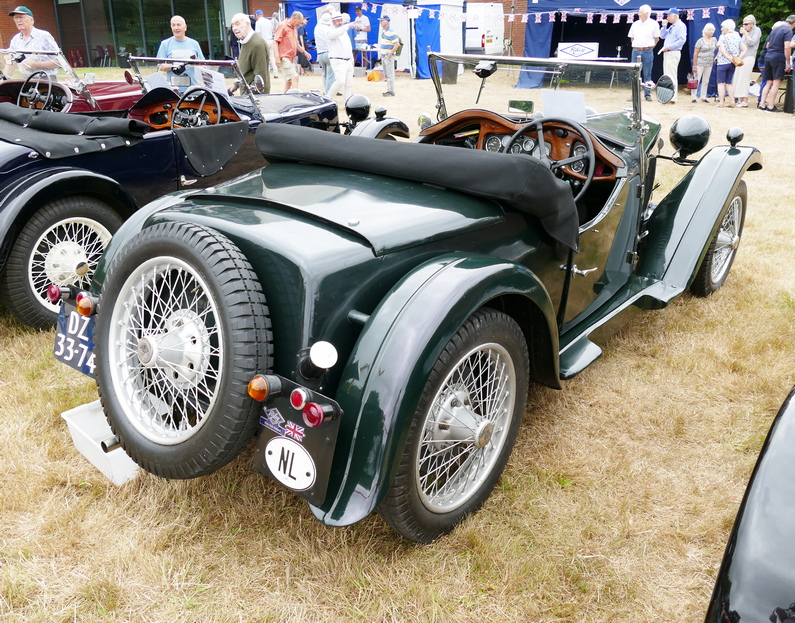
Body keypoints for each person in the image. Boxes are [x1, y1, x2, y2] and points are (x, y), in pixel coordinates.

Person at [6, 6, 59, 78]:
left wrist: (36, 64)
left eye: (21, 17)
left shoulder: (44, 36)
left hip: (46, 81)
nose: (18, 20)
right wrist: (4, 79)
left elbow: (59, 62)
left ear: (32, 20)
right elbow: (11, 62)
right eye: (16, 18)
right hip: (26, 81)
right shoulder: (15, 40)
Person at [156, 15, 204, 89]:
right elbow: (160, 66)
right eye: (173, 25)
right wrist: (174, 66)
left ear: (185, 27)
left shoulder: (194, 44)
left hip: (192, 89)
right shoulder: (165, 44)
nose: (176, 28)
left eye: (178, 25)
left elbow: (203, 66)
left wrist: (196, 63)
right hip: (173, 89)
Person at [758, 16, 795, 112]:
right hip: (778, 57)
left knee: (768, 82)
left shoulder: (776, 29)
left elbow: (767, 45)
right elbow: (787, 47)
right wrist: (788, 62)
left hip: (768, 56)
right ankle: (770, 107)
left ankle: (762, 105)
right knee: (776, 82)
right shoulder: (788, 31)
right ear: (793, 23)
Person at [230, 12, 270, 93]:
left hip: (255, 98)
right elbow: (245, 72)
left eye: (237, 24)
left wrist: (247, 96)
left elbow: (260, 78)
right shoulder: (245, 41)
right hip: (247, 96)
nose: (234, 28)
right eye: (233, 25)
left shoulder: (257, 44)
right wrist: (236, 84)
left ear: (247, 24)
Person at [628, 5, 660, 101]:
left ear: (646, 13)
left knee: (647, 73)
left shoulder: (654, 24)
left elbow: (656, 39)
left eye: (640, 12)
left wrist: (648, 47)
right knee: (634, 73)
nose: (638, 14)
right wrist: (638, 46)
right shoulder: (635, 24)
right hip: (636, 50)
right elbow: (631, 37)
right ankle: (634, 94)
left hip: (648, 51)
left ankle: (647, 94)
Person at [274, 11, 311, 91]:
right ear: (294, 18)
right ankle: (296, 98)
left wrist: (304, 52)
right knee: (294, 77)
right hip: (284, 57)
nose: (300, 24)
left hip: (292, 58)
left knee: (289, 80)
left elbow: (296, 44)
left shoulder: (294, 28)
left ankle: (284, 99)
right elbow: (276, 41)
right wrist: (277, 58)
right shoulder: (283, 26)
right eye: (299, 22)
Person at [326, 11, 356, 102]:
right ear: (333, 21)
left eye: (340, 20)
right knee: (340, 81)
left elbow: (348, 45)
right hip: (338, 60)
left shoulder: (343, 30)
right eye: (337, 20)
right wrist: (347, 26)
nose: (339, 22)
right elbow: (336, 34)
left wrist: (351, 58)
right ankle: (327, 98)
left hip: (347, 60)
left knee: (348, 84)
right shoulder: (330, 31)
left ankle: (347, 102)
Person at [715, 19, 746, 108]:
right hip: (733, 64)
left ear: (727, 28)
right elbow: (744, 49)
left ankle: (721, 102)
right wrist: (737, 58)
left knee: (721, 83)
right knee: (729, 83)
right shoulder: (737, 36)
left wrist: (730, 58)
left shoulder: (722, 37)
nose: (721, 29)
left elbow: (723, 51)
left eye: (723, 27)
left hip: (723, 62)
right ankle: (732, 101)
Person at [732, 15, 761, 107]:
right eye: (743, 24)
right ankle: (740, 99)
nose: (744, 26)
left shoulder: (757, 31)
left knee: (744, 77)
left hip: (750, 56)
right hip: (742, 56)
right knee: (739, 77)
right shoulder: (745, 32)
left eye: (746, 24)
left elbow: (752, 43)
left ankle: (745, 100)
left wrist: (745, 34)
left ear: (752, 24)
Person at [659, 8, 687, 104]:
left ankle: (673, 97)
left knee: (671, 75)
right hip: (667, 52)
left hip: (673, 52)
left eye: (669, 16)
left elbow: (682, 40)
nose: (667, 18)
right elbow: (662, 36)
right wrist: (664, 26)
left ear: (675, 16)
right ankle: (668, 96)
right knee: (667, 75)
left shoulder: (680, 26)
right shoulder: (671, 27)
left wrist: (669, 47)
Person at [691, 23, 717, 103]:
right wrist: (694, 65)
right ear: (705, 31)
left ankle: (703, 96)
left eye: (712, 30)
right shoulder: (700, 41)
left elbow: (716, 47)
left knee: (706, 80)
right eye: (709, 30)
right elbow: (695, 53)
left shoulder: (714, 40)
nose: (711, 31)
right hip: (700, 62)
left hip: (709, 63)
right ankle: (693, 97)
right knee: (697, 80)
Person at [378, 15, 399, 97]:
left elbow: (397, 44)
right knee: (387, 74)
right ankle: (389, 90)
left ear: (386, 22)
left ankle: (391, 91)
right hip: (384, 55)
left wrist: (390, 53)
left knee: (390, 74)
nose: (380, 22)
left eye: (381, 21)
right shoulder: (384, 31)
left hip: (388, 55)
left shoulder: (391, 31)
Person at [254, 9, 278, 78]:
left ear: (257, 15)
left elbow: (258, 34)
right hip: (271, 40)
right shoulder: (268, 21)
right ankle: (275, 73)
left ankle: (266, 73)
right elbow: (272, 31)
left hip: (264, 41)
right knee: (272, 57)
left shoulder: (258, 22)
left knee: (263, 58)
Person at [315, 12, 334, 95]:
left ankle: (325, 91)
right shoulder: (329, 29)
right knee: (331, 75)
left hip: (320, 53)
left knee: (325, 74)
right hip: (329, 53)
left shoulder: (317, 28)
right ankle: (328, 93)